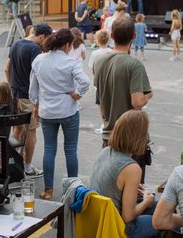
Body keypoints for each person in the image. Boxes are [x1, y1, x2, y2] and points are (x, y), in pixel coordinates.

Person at [89, 110, 165, 238]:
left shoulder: (106, 151)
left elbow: (111, 188)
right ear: (139, 137)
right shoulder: (131, 167)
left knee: (161, 208)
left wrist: (139, 196)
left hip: (97, 226)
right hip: (117, 231)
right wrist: (146, 201)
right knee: (166, 220)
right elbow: (128, 215)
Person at [29, 28, 90, 200]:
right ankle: (73, 189)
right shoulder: (70, 62)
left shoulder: (39, 60)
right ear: (68, 44)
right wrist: (78, 94)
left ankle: (48, 190)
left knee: (49, 149)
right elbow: (85, 82)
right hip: (68, 108)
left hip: (47, 110)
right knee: (70, 150)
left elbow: (33, 88)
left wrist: (36, 106)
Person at [94, 16, 153, 180]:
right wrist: (148, 95)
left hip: (108, 135)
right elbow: (137, 102)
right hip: (131, 140)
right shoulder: (134, 65)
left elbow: (99, 97)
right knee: (133, 192)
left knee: (111, 187)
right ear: (134, 36)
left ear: (111, 36)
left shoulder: (99, 61)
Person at [5, 23, 53, 178]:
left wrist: (12, 86)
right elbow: (39, 74)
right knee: (31, 132)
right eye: (47, 39)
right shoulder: (35, 49)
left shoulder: (16, 43)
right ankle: (28, 167)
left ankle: (9, 161)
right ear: (42, 36)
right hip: (29, 97)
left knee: (18, 129)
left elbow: (7, 68)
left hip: (15, 94)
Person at [88, 29, 111, 135]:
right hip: (111, 81)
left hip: (99, 83)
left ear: (97, 40)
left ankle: (105, 124)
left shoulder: (95, 53)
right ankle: (110, 123)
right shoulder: (111, 51)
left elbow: (92, 68)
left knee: (101, 105)